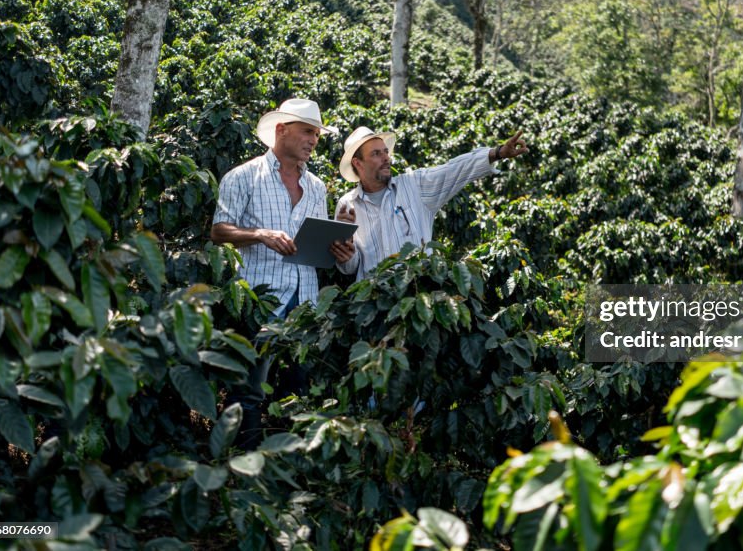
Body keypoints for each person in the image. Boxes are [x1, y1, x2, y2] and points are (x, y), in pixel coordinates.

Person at [211, 97, 353, 446]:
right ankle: (242, 468)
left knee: (296, 394)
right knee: (249, 393)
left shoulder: (317, 187)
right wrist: (260, 234)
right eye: (307, 132)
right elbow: (218, 231)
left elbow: (314, 248)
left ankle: (286, 473)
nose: (313, 141)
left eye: (317, 135)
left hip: (303, 305)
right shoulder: (243, 177)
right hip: (260, 300)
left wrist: (338, 247)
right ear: (281, 130)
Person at [334, 126, 528, 280]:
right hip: (374, 306)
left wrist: (497, 153)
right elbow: (350, 268)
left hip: (417, 298)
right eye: (376, 154)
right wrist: (346, 251)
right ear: (357, 163)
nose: (386, 158)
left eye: (386, 152)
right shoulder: (347, 205)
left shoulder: (415, 186)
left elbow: (454, 169)